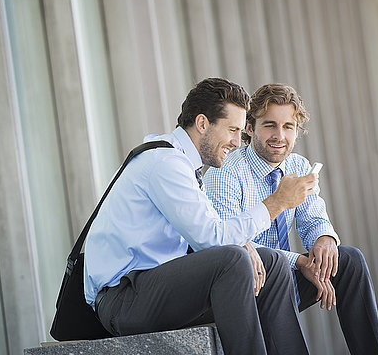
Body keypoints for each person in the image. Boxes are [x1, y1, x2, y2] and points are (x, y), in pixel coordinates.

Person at [84, 78, 319, 354]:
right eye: (232, 130)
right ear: (203, 123)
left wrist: (245, 243)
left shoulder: (184, 164)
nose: (236, 141)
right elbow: (212, 239)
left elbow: (210, 229)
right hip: (124, 299)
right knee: (232, 259)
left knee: (273, 262)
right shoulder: (165, 164)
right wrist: (276, 203)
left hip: (154, 288)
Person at [203, 83, 378, 354]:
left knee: (349, 260)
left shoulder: (297, 166)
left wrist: (324, 240)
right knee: (274, 268)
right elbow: (231, 245)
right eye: (269, 125)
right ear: (249, 129)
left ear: (297, 132)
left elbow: (313, 215)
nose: (279, 136)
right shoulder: (225, 172)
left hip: (284, 279)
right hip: (249, 287)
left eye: (288, 126)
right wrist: (298, 260)